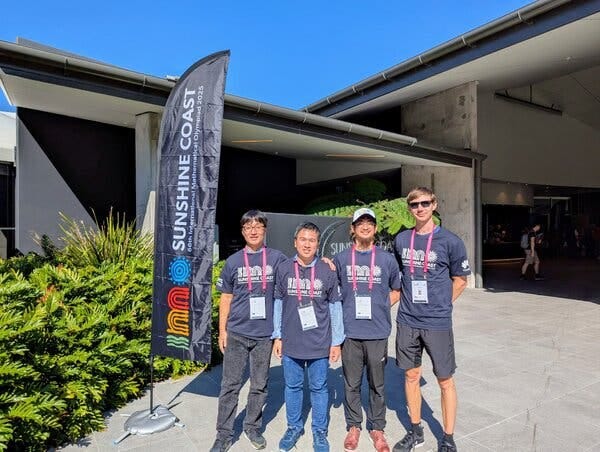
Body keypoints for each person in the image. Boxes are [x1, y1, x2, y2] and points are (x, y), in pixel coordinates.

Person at [392, 187, 470, 452]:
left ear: (434, 205)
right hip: (407, 321)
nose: (420, 208)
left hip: (436, 322)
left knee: (444, 379)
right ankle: (415, 431)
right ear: (410, 209)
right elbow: (397, 277)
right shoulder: (402, 239)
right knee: (411, 376)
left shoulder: (450, 241)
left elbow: (460, 280)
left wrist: (442, 304)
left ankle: (447, 437)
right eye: (415, 205)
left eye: (425, 203)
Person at [210, 210, 287, 452]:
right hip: (237, 333)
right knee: (230, 385)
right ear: (242, 231)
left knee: (259, 384)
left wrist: (324, 261)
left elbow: (300, 270)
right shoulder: (233, 262)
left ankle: (252, 426)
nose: (253, 230)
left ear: (265, 230)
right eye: (248, 227)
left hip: (264, 334)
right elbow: (226, 298)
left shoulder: (277, 259)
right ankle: (223, 434)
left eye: (257, 226)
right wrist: (222, 331)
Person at [272, 222, 344, 452]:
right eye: (303, 239)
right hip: (291, 342)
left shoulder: (327, 271)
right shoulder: (284, 268)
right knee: (292, 387)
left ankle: (319, 432)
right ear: (295, 242)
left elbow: (335, 306)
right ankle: (294, 427)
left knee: (319, 388)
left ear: (317, 244)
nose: (307, 244)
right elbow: (278, 303)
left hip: (319, 343)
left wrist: (336, 341)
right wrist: (277, 336)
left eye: (312, 240)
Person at [333, 208, 401, 452]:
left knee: (377, 384)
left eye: (369, 223)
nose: (364, 226)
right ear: (352, 229)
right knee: (351, 383)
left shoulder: (386, 259)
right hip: (350, 332)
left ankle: (377, 428)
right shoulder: (341, 259)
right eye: (359, 223)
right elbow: (333, 292)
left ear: (374, 228)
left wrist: (382, 305)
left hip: (377, 332)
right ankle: (354, 426)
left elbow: (397, 289)